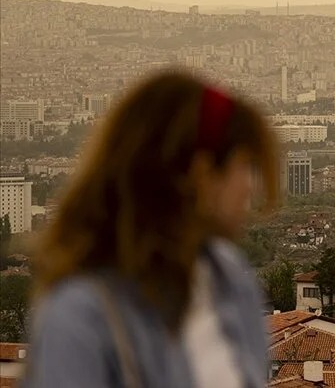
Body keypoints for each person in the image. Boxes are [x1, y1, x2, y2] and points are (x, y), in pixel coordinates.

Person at [22, 71, 279, 388]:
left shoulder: (229, 277)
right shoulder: (81, 317)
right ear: (201, 173)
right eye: (246, 166)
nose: (251, 187)